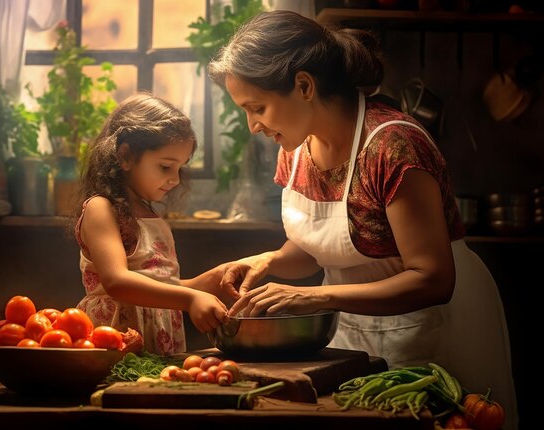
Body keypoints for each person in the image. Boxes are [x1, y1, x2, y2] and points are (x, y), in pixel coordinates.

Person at [207, 10, 518, 429]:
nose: (253, 125)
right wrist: (268, 262)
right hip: (350, 327)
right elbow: (319, 246)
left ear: (303, 86)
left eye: (257, 107)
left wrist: (317, 298)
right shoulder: (294, 149)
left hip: (432, 323)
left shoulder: (393, 145)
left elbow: (433, 279)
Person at [73, 92, 230, 356]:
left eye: (180, 168)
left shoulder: (150, 214)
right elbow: (117, 282)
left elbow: (158, 287)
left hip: (158, 345)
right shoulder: (101, 208)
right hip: (115, 344)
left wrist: (210, 280)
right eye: (166, 166)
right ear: (125, 155)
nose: (176, 179)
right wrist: (191, 298)